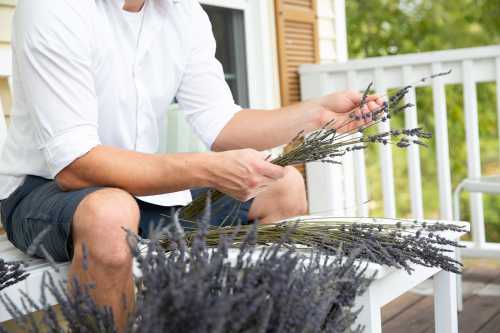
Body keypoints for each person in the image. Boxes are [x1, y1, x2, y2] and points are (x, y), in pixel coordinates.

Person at [0, 0, 382, 329]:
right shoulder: (55, 8)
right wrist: (207, 169)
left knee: (285, 187)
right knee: (109, 213)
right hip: (42, 192)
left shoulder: (185, 15)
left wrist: (314, 115)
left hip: (140, 191)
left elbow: (220, 122)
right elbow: (76, 166)